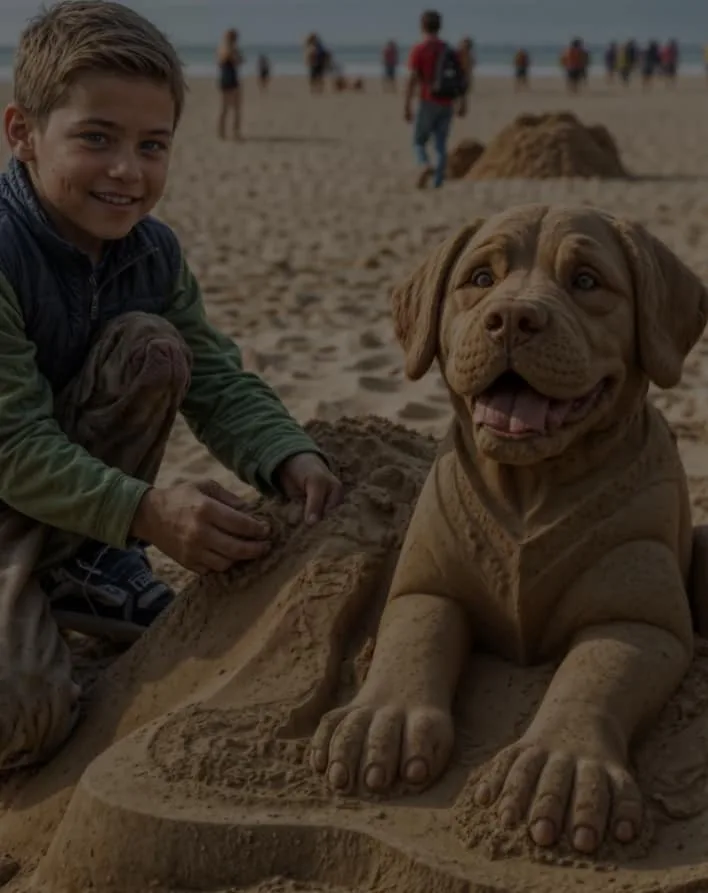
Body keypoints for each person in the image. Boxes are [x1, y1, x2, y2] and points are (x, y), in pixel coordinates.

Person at [0, 0, 343, 770]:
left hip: (66, 497)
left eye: (152, 146)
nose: (128, 170)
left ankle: (85, 565)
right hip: (9, 482)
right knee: (23, 716)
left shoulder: (150, 252)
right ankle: (62, 574)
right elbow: (15, 446)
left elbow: (214, 376)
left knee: (154, 346)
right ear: (21, 132)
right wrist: (148, 511)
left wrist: (287, 454)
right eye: (97, 138)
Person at [405, 9, 466, 190]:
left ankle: (424, 164)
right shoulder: (448, 49)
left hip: (426, 99)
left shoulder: (420, 48)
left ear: (422, 26)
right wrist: (462, 102)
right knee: (440, 142)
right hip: (447, 101)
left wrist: (407, 104)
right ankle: (438, 180)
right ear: (440, 27)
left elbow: (413, 78)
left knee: (418, 141)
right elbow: (460, 78)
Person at [217, 27, 243, 139]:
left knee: (237, 108)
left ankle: (235, 132)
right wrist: (232, 53)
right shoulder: (223, 48)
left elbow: (240, 60)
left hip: (234, 79)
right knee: (225, 108)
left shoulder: (234, 49)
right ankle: (221, 132)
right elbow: (223, 60)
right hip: (226, 80)